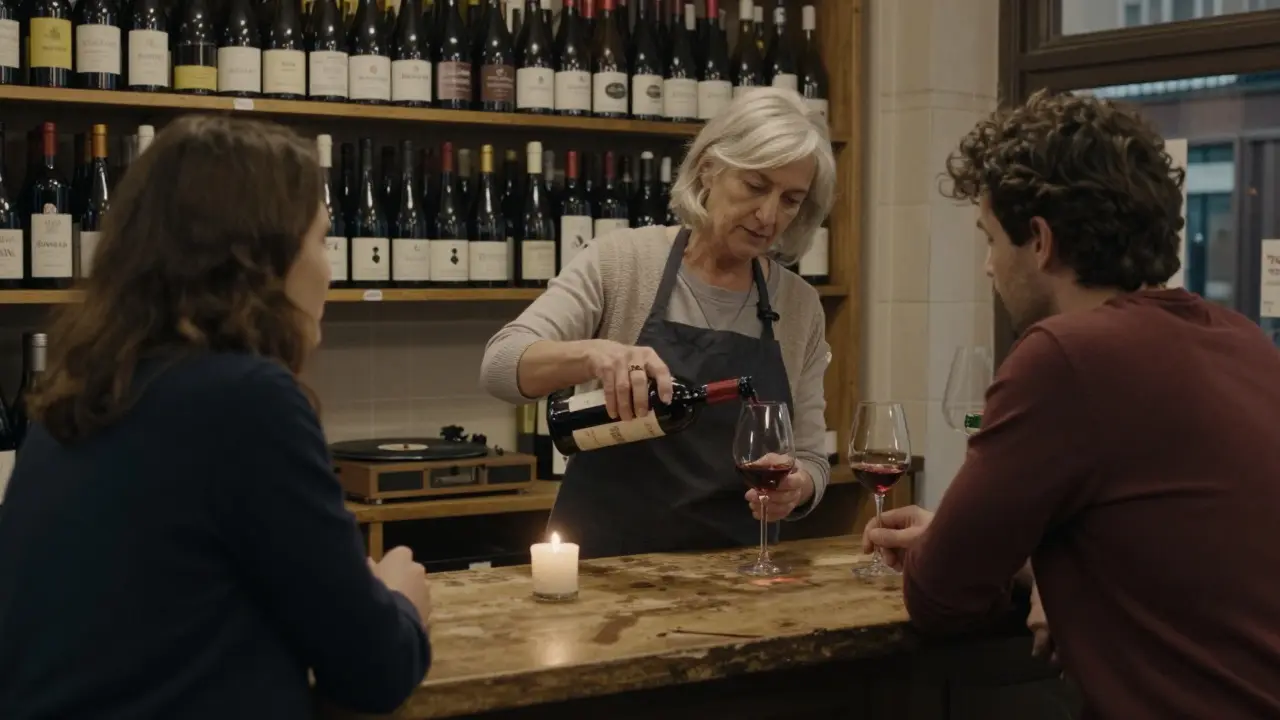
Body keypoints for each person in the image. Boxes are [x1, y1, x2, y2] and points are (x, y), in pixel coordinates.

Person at [861, 90, 1280, 718]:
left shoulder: (1063, 355)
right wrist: (1045, 574)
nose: (987, 267)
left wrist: (991, 563)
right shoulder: (1240, 337)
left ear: (1041, 241)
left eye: (991, 238)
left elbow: (941, 597)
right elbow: (1169, 555)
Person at [0, 116, 432, 719]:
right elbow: (376, 667)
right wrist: (400, 598)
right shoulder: (250, 400)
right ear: (263, 257)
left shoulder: (74, 399)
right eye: (323, 240)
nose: (331, 269)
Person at [481, 89, 836, 559]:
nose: (770, 216)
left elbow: (810, 454)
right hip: (607, 569)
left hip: (737, 574)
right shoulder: (622, 262)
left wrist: (799, 487)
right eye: (755, 186)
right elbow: (501, 365)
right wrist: (594, 353)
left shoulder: (800, 305)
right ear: (710, 168)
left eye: (790, 200)